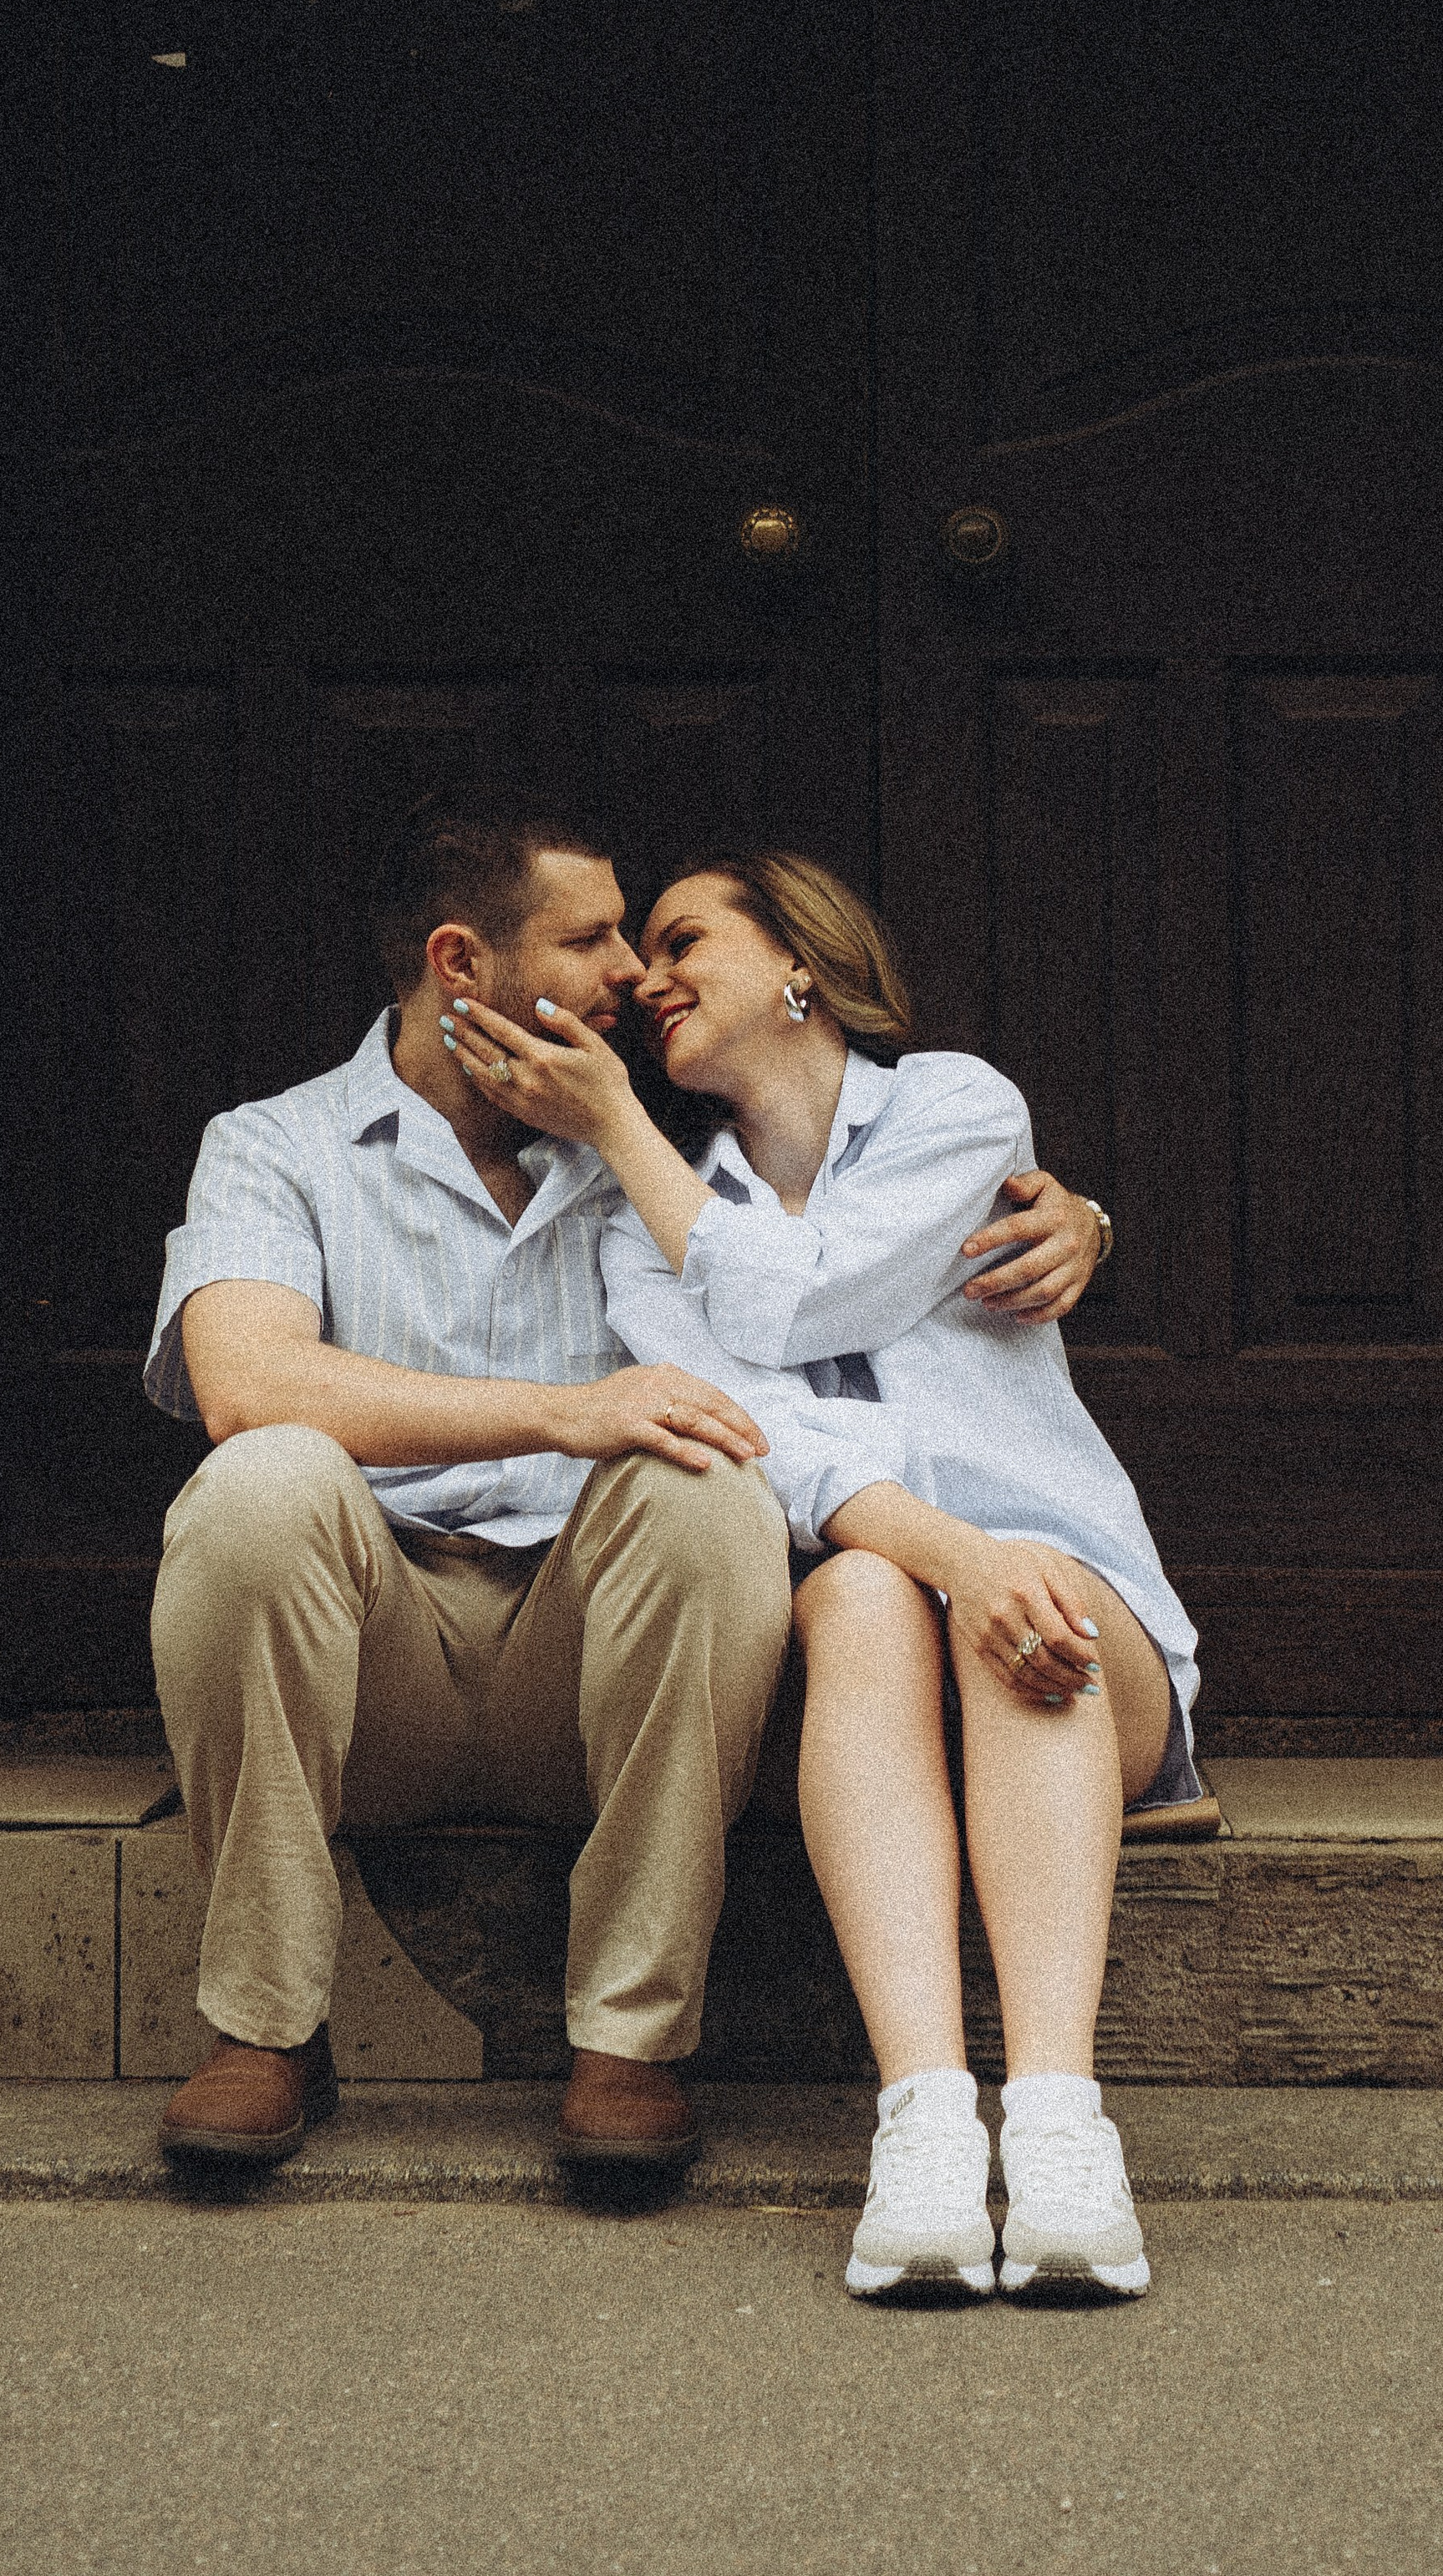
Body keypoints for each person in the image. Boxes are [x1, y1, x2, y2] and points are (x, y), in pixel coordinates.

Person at [142, 794, 1108, 2169]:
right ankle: (262, 2031)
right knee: (262, 1475)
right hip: (365, 1664)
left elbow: (814, 1281)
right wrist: (567, 1413)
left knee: (708, 1481)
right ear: (461, 962)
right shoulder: (273, 1144)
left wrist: (1080, 1217)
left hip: (588, 1669)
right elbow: (245, 1381)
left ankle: (630, 2042)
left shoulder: (649, 1171)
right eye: (591, 938)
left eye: (646, 940)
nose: (630, 975)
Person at [441, 847, 1201, 2297]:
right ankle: (924, 2126)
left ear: (800, 958)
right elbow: (758, 1436)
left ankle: (1058, 2126)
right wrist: (949, 1555)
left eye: (683, 940)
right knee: (855, 1588)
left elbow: (802, 1299)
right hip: (875, 1667)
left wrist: (614, 1121)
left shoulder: (959, 1111)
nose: (647, 979)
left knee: (1022, 1586)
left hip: (1078, 1638)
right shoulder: (641, 1227)